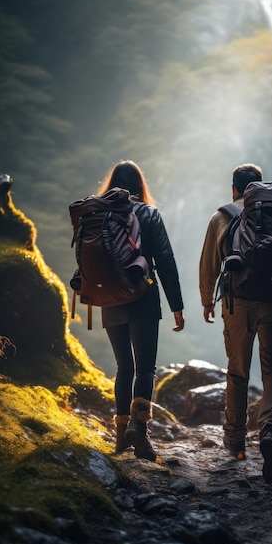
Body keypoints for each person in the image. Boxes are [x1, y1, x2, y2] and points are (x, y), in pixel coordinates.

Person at [199, 163, 272, 484]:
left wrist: (207, 300)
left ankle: (235, 442)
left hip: (238, 305)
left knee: (238, 371)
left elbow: (209, 264)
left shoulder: (221, 217)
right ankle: (270, 432)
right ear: (260, 187)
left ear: (235, 188)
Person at [98, 160, 185, 462]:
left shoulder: (98, 214)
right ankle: (140, 428)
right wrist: (177, 305)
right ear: (139, 185)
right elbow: (165, 260)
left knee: (124, 367)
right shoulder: (149, 214)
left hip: (109, 296)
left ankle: (121, 436)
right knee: (146, 367)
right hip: (143, 295)